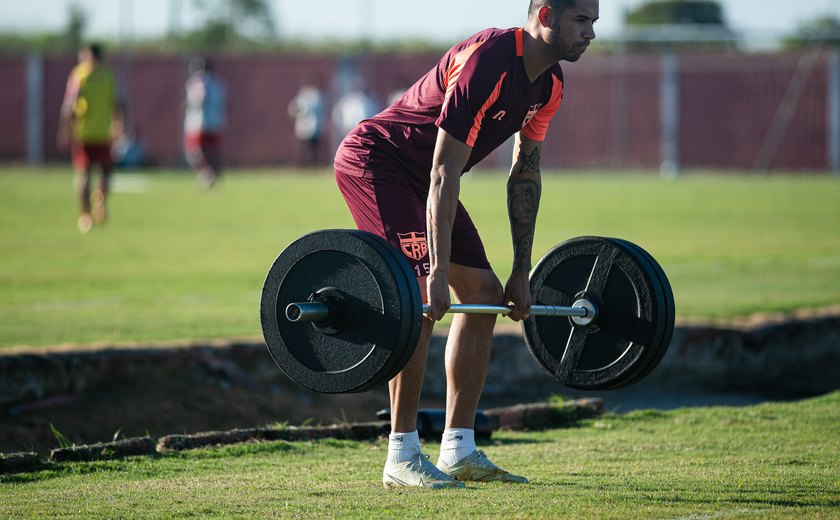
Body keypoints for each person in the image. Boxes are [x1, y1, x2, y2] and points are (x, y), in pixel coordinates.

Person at [334, 0, 598, 489]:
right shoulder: (490, 59)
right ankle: (402, 455)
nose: (591, 33)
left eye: (594, 23)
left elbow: (524, 178)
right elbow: (442, 170)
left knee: (482, 295)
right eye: (581, 21)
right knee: (414, 295)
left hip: (427, 180)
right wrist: (434, 270)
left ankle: (458, 448)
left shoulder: (550, 85)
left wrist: (522, 269)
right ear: (545, 14)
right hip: (379, 163)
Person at [57, 43, 122, 233]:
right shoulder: (110, 75)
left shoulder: (80, 75)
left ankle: (85, 216)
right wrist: (120, 125)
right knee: (106, 173)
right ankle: (99, 200)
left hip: (83, 132)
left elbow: (70, 104)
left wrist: (65, 129)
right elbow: (118, 103)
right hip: (104, 132)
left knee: (84, 174)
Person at [184, 57, 227, 189]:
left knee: (193, 152)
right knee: (212, 152)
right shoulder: (218, 84)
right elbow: (225, 103)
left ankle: (208, 175)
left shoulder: (198, 82)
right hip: (216, 123)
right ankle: (215, 174)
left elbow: (198, 99)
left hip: (198, 123)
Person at [287, 76, 327, 167]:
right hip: (304, 126)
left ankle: (312, 165)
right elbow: (293, 109)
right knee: (305, 148)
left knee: (313, 148)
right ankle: (304, 165)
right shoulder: (305, 96)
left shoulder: (318, 96)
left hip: (314, 127)